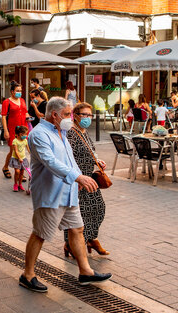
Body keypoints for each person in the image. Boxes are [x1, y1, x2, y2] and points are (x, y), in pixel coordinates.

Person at [20, 97, 111, 292]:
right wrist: (78, 178)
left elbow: (70, 161)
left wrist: (77, 178)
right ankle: (27, 275)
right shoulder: (39, 134)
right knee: (40, 234)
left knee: (77, 229)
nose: (71, 118)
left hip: (68, 192)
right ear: (55, 115)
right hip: (50, 193)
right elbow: (50, 161)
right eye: (68, 114)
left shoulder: (62, 131)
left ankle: (85, 271)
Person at [64, 102, 109, 258]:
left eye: (90, 115)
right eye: (84, 115)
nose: (87, 118)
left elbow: (90, 152)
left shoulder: (84, 132)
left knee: (98, 208)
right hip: (78, 179)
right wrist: (76, 178)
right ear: (75, 116)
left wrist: (98, 161)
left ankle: (90, 239)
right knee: (76, 214)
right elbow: (68, 158)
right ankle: (71, 244)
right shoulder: (71, 133)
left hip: (89, 177)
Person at [1, 81, 29, 179]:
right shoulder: (6, 102)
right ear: (12, 91)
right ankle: (6, 167)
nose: (19, 92)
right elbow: (4, 117)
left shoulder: (22, 100)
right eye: (17, 91)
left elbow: (25, 113)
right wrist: (6, 130)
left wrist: (29, 117)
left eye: (20, 91)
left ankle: (20, 171)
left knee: (21, 149)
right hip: (13, 128)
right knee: (13, 150)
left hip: (23, 128)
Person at [9, 126, 30, 192]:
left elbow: (28, 148)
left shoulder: (25, 141)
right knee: (17, 171)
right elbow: (16, 151)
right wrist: (19, 158)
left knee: (22, 172)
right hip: (16, 158)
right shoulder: (15, 141)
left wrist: (31, 153)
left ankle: (20, 184)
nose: (26, 136)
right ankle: (15, 184)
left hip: (23, 158)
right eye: (25, 134)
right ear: (20, 134)